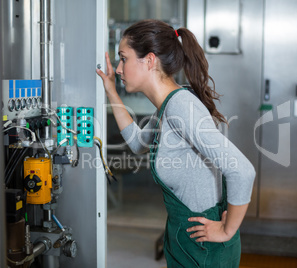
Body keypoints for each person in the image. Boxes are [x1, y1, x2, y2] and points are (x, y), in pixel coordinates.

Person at [96, 19, 256, 267]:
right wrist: (111, 91)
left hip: (203, 246)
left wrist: (227, 230)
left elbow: (242, 170)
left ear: (149, 60)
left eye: (123, 58)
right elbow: (138, 143)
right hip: (184, 237)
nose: (118, 69)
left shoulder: (180, 107)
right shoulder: (167, 107)